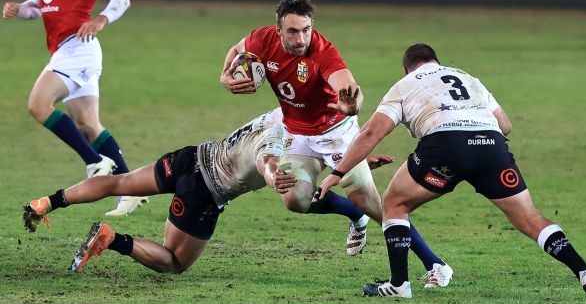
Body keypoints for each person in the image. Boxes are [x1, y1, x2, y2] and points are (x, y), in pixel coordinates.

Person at [315, 43, 586, 301]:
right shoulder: (468, 78)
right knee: (531, 219)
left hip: (446, 147)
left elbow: (370, 133)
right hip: (491, 146)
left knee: (394, 203)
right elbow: (505, 125)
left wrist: (338, 173)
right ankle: (584, 273)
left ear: (407, 69)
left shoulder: (405, 85)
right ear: (437, 62)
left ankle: (398, 285)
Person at [220, 0, 453, 286]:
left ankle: (436, 264)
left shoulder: (323, 52)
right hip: (297, 132)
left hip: (337, 134)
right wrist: (225, 77)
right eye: (292, 31)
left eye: (306, 29)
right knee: (295, 199)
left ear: (312, 26)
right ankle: (352, 213)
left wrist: (351, 105)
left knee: (377, 207)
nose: (301, 37)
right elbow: (236, 50)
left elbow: (349, 86)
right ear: (278, 30)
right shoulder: (261, 39)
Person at [22, 108, 392, 274]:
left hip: (190, 156)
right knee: (175, 262)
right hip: (205, 192)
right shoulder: (284, 136)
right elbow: (270, 160)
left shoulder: (280, 113)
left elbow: (314, 150)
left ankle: (49, 202)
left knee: (119, 182)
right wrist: (272, 177)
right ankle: (111, 239)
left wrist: (350, 164)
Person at [2, 0, 147, 215]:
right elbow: (35, 9)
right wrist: (19, 9)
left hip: (78, 49)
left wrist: (101, 19)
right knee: (88, 125)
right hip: (67, 51)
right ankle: (131, 191)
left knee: (38, 104)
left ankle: (95, 162)